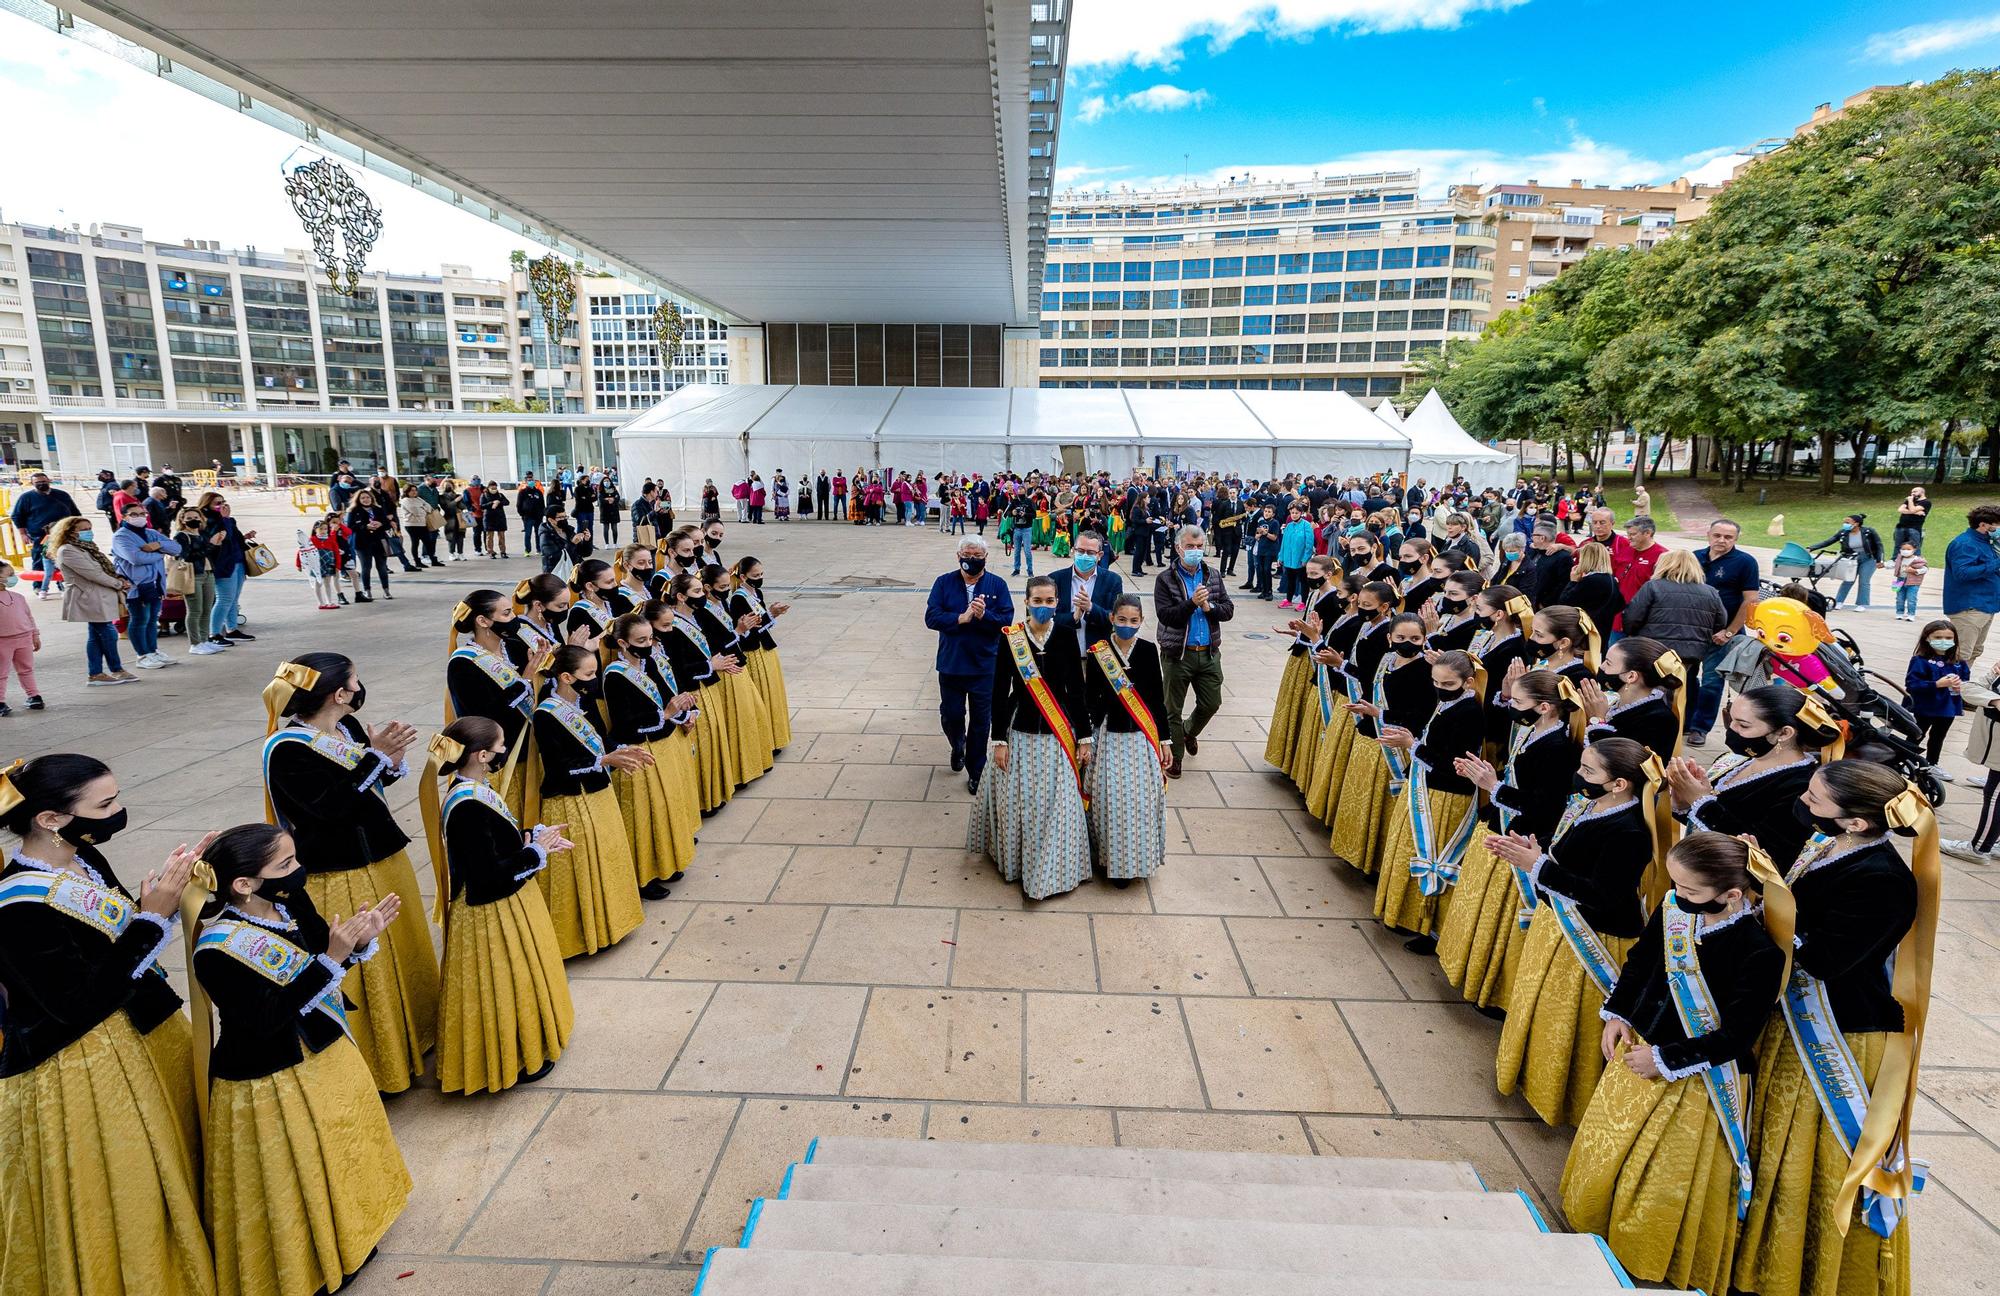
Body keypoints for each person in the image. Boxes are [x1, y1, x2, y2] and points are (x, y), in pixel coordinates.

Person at [0, 755, 214, 1296]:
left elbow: (112, 942)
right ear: (50, 819)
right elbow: (73, 1005)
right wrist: (149, 920)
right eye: (105, 804)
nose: (117, 813)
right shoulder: (16, 904)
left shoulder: (83, 855)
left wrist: (164, 897)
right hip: (87, 1062)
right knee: (130, 1184)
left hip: (143, 1030)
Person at [181, 821, 408, 1296]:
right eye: (285, 865)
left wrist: (356, 947)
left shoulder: (287, 903)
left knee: (342, 1146)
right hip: (269, 1078)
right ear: (244, 885)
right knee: (293, 1176)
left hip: (319, 1052)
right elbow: (266, 1019)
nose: (298, 870)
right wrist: (331, 958)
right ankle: (311, 1258)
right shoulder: (216, 950)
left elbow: (313, 975)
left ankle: (352, 1227)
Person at [1733, 760, 1934, 1296]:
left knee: (1805, 1157)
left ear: (1858, 823)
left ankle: (1799, 1271)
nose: (1804, 801)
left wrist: (1762, 899)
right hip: (1795, 1020)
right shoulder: (1832, 842)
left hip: (1837, 1030)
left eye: (1816, 799)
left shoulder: (1884, 882)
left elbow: (1822, 958)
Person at [1562, 832, 1789, 1294]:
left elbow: (1735, 1038)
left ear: (1731, 894)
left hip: (1691, 1079)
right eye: (1675, 885)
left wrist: (1665, 1059)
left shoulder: (1759, 953)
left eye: (1690, 891)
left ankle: (1641, 1247)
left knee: (1662, 1174)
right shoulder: (1674, 909)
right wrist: (1619, 1014)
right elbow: (1642, 963)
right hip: (1642, 1046)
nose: (1677, 897)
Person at [261, 654, 440, 1093]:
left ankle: (418, 1032)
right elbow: (331, 808)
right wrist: (374, 758)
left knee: (405, 944)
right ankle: (380, 1062)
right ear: (340, 694)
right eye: (356, 681)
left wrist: (389, 760)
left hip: (383, 855)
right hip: (340, 871)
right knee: (367, 958)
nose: (361, 688)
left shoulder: (350, 729)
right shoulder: (288, 750)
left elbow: (369, 790)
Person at [1491, 736, 1662, 1127]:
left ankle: (1561, 1097)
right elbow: (1572, 854)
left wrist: (1540, 867)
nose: (1578, 775)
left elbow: (1602, 895)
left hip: (1590, 937)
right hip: (1560, 927)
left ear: (1619, 784)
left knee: (1566, 1024)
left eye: (1588, 770)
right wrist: (1536, 849)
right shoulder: (1594, 804)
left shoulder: (1629, 831)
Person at [417, 720, 575, 1094]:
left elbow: (492, 846)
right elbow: (486, 875)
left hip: (505, 903)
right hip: (491, 911)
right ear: (482, 755)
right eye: (502, 744)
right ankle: (510, 1058)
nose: (506, 750)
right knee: (503, 984)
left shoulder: (472, 789)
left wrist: (530, 839)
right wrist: (535, 852)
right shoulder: (467, 805)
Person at [1440, 669, 1586, 1012]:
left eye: (1518, 701)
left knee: (1503, 923)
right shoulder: (1534, 730)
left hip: (1522, 838)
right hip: (1504, 827)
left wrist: (1494, 787)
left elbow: (1544, 807)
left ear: (1546, 707)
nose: (1512, 706)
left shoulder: (1558, 747)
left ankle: (1495, 991)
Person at [969, 575, 1093, 900]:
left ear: (1057, 603)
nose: (1043, 607)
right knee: (1020, 805)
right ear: (1026, 602)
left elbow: (1077, 692)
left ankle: (1051, 871)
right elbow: (998, 691)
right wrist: (999, 740)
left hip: (1057, 733)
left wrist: (1084, 736)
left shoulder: (1066, 636)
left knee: (1057, 806)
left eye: (1049, 601)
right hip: (1019, 730)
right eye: (1036, 601)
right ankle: (1019, 864)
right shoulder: (1012, 639)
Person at [530, 644, 649, 958]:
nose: (595, 679)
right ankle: (583, 935)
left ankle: (614, 921)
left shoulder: (583, 701)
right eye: (590, 674)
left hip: (598, 792)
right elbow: (558, 767)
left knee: (609, 856)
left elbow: (602, 737)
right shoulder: (546, 714)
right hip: (572, 800)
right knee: (582, 867)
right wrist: (603, 759)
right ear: (566, 677)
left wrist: (621, 750)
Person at [1373, 648, 1484, 947]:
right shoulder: (1447, 703)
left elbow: (1455, 766)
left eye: (1448, 685)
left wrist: (1413, 746)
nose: (1439, 689)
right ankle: (1406, 914)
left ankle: (1429, 928)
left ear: (1468, 682)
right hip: (1427, 787)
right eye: (1436, 682)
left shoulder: (1470, 713)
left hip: (1445, 796)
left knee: (1435, 856)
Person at [1666, 683, 1840, 870]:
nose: (1731, 729)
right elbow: (1707, 821)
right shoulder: (1735, 760)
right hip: (1693, 867)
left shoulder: (1802, 787)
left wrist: (1701, 801)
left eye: (1743, 725)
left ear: (1784, 733)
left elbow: (1766, 850)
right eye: (1730, 719)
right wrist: (1685, 802)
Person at [602, 614, 700, 895]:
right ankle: (644, 876)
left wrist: (685, 714)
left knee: (667, 805)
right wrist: (667, 714)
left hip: (664, 744)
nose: (648, 644)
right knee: (645, 816)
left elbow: (670, 696)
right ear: (622, 643)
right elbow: (625, 724)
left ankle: (667, 860)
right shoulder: (615, 676)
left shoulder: (650, 662)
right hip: (640, 751)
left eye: (650, 638)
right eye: (641, 640)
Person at [1332, 612, 1435, 875]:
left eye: (1415, 638)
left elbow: (1422, 713)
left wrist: (1381, 715)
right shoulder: (1387, 659)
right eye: (1401, 637)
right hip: (1369, 736)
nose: (1408, 642)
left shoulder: (1426, 670)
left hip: (1396, 745)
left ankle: (1376, 863)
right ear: (1390, 638)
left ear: (1424, 639)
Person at [1082, 594, 1169, 888]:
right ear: (1112, 619)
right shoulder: (1099, 652)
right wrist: (1086, 736)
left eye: (1133, 621)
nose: (1127, 625)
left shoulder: (1147, 650)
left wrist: (1165, 740)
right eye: (1122, 620)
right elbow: (1090, 698)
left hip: (1140, 738)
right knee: (1109, 802)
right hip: (1108, 736)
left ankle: (1137, 862)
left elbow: (1157, 698)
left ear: (1141, 621)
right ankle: (1111, 861)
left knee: (1140, 803)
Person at [926, 536, 1015, 794]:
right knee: (952, 714)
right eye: (967, 555)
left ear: (985, 558)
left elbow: (1006, 619)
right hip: (952, 663)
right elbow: (932, 616)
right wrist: (960, 618)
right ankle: (957, 743)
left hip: (984, 665)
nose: (971, 560)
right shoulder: (944, 583)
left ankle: (976, 771)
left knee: (980, 721)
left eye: (977, 556)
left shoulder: (997, 584)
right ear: (958, 556)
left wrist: (984, 615)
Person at [1154, 526, 1235, 777]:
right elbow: (1167, 616)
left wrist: (1209, 607)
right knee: (1172, 709)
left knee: (1212, 702)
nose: (1195, 551)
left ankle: (1188, 732)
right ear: (1178, 548)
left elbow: (1228, 610)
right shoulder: (1165, 578)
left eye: (1199, 547)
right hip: (1178, 653)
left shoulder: (1212, 575)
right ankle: (1175, 757)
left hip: (1208, 652)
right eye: (1190, 547)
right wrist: (1192, 603)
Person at [651, 589, 740, 812]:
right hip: (678, 704)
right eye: (665, 626)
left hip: (686, 699)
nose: (670, 630)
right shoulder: (652, 650)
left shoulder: (665, 639)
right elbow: (680, 669)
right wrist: (710, 666)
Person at [1684, 520, 1762, 745]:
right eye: (1717, 535)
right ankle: (1686, 721)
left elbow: (1750, 601)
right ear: (1708, 534)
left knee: (1711, 681)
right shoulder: (1695, 557)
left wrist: (1730, 632)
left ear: (1736, 539)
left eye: (1728, 537)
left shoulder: (1745, 562)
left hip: (1722, 633)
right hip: (1692, 630)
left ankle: (1700, 727)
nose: (1722, 540)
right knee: (1686, 678)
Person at [1621, 549, 1726, 692]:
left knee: (1650, 692)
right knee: (1679, 693)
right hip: (1690, 653)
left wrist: (1632, 634)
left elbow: (1632, 617)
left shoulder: (1653, 586)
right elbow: (1720, 622)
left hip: (1654, 649)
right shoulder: (1710, 592)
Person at [51, 514, 138, 686]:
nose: (88, 532)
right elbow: (93, 573)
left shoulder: (87, 547)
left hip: (99, 595)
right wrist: (118, 584)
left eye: (89, 528)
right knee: (107, 632)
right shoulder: (68, 550)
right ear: (70, 532)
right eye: (83, 530)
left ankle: (97, 673)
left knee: (96, 635)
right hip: (89, 596)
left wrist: (119, 580)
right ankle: (115, 669)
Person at [1578, 636, 1687, 762]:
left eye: (1608, 663)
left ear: (1631, 676)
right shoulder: (1616, 703)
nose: (1601, 667)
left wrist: (1598, 720)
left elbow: (1616, 764)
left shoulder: (1659, 719)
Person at [727, 556, 793, 754]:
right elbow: (749, 630)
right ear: (743, 576)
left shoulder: (757, 593)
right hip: (753, 652)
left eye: (761, 574)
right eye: (755, 575)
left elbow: (762, 624)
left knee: (773, 693)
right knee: (762, 694)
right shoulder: (738, 598)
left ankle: (775, 735)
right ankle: (765, 741)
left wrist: (772, 615)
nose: (759, 578)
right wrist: (770, 614)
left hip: (765, 649)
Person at [110, 500, 182, 671]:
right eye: (134, 514)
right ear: (125, 517)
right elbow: (136, 558)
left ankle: (152, 650)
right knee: (140, 619)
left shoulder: (151, 533)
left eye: (142, 514)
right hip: (135, 585)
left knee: (152, 619)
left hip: (155, 583)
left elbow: (176, 548)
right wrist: (160, 554)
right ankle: (142, 655)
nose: (139, 517)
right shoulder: (121, 536)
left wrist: (159, 546)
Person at [1904, 618, 1970, 772]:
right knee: (1917, 734)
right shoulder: (1920, 661)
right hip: (1925, 706)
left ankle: (1932, 763)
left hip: (1948, 706)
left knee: (1938, 736)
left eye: (1948, 638)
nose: (1943, 641)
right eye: (1938, 637)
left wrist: (1961, 686)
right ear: (1927, 638)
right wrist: (1937, 684)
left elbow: (1966, 680)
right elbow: (1912, 684)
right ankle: (1907, 760)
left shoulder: (1958, 662)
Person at [1944, 504, 2000, 668]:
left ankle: (1960, 687)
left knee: (1975, 651)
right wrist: (1996, 563)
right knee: (1961, 654)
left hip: (1985, 606)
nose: (1998, 528)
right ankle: (1948, 690)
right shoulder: (1964, 543)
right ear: (1983, 524)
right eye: (1997, 524)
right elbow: (1962, 573)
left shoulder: (1986, 542)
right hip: (1969, 607)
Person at [1050, 529, 1121, 656]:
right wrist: (1074, 617)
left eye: (1090, 553)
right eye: (1080, 551)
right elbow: (1047, 620)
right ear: (1073, 550)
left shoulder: (1113, 581)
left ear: (1099, 555)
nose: (1084, 556)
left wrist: (1091, 608)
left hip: (1098, 656)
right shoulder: (1055, 579)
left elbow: (1116, 619)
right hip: (1063, 654)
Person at [10, 470, 78, 598]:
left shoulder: (62, 495)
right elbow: (17, 516)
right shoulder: (26, 498)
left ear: (49, 481)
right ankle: (39, 586)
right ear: (32, 483)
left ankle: (63, 583)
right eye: (38, 482)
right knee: (39, 561)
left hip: (64, 535)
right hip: (40, 536)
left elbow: (75, 513)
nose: (41, 484)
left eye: (43, 481)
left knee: (63, 560)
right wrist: (23, 534)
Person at [1811, 512, 1885, 612]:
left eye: (1847, 522)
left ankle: (1861, 603)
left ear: (1856, 523)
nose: (1845, 524)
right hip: (1851, 558)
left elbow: (1878, 545)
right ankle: (1839, 602)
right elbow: (1829, 541)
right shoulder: (1843, 533)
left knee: (1864, 581)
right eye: (1844, 522)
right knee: (1848, 580)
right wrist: (1812, 548)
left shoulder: (1868, 531)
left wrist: (1880, 560)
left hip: (1868, 559)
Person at [1610, 516, 1667, 630]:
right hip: (1617, 618)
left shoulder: (1662, 556)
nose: (1629, 538)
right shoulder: (1625, 551)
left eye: (1633, 534)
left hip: (1643, 621)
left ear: (1647, 533)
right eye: (1628, 534)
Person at [346, 488, 395, 602]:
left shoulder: (378, 509)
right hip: (363, 543)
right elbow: (350, 527)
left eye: (368, 497)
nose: (366, 500)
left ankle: (386, 590)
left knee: (382, 567)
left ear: (372, 498)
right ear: (358, 499)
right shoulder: (354, 511)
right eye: (363, 498)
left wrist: (381, 523)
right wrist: (365, 526)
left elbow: (387, 524)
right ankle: (367, 590)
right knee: (366, 567)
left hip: (379, 541)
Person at [1889, 540, 1927, 622]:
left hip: (1913, 582)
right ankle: (1899, 613)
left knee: (1911, 599)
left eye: (1908, 549)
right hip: (1899, 580)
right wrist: (1883, 565)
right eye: (1903, 549)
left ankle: (1911, 614)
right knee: (1899, 598)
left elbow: (1925, 569)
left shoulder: (1918, 560)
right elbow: (1892, 564)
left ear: (1914, 549)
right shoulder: (1899, 558)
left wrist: (1914, 571)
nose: (1905, 551)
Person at [1893, 486, 1932, 555]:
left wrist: (1910, 502)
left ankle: (1916, 562)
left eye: (1915, 491)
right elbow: (1900, 509)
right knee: (1898, 546)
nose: (1912, 493)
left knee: (1915, 546)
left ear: (1922, 492)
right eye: (1912, 492)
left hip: (1914, 528)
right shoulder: (1909, 500)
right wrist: (1916, 512)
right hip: (1901, 527)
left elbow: (1913, 509)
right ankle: (1895, 560)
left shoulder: (1926, 502)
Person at [516, 475, 546, 554]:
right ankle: (527, 550)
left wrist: (542, 513)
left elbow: (542, 504)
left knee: (538, 533)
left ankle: (539, 549)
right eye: (529, 481)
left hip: (538, 517)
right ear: (526, 482)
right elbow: (519, 504)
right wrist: (522, 514)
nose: (531, 482)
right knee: (528, 534)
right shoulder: (522, 492)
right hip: (528, 516)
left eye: (532, 480)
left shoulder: (538, 492)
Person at [481, 486, 510, 559]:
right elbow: (482, 506)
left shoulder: (500, 495)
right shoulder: (484, 495)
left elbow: (507, 502)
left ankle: (503, 551)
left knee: (501, 536)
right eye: (492, 488)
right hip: (489, 518)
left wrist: (499, 502)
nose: (494, 490)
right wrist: (492, 503)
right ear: (488, 488)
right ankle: (491, 552)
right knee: (489, 536)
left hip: (500, 518)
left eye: (495, 488)